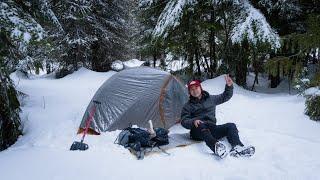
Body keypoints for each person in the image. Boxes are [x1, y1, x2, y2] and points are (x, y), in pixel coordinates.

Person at [180, 75, 254, 158]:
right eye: (191, 89)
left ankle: (237, 147)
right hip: (197, 131)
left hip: (212, 128)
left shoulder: (211, 99)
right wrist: (193, 121)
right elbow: (183, 121)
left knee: (231, 126)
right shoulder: (187, 106)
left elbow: (224, 96)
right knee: (201, 125)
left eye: (196, 88)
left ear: (200, 88)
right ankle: (216, 147)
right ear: (189, 92)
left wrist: (229, 86)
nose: (195, 91)